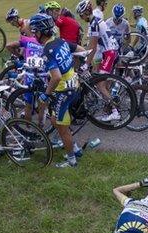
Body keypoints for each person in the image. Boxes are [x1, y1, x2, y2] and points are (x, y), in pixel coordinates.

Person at [30, 13, 85, 168]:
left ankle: (71, 160)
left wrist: (46, 94)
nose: (34, 35)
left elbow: (55, 77)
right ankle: (74, 148)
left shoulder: (47, 49)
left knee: (62, 127)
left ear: (40, 32)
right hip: (74, 85)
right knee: (55, 120)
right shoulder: (60, 41)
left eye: (35, 32)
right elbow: (80, 49)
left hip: (64, 90)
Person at [77, 0, 122, 122]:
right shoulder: (96, 20)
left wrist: (86, 64)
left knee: (99, 85)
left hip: (109, 53)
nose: (81, 18)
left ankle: (115, 112)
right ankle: (109, 110)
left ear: (86, 12)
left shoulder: (93, 24)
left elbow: (92, 48)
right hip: (112, 52)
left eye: (81, 15)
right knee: (105, 85)